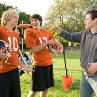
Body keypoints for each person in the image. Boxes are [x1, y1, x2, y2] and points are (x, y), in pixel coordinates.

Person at [51, 9, 97, 97]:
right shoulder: (84, 34)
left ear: (95, 20)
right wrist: (57, 28)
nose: (84, 21)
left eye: (87, 19)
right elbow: (70, 36)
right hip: (85, 75)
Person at [24, 14, 63, 97]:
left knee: (45, 88)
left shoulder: (46, 32)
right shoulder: (29, 31)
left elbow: (54, 41)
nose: (34, 22)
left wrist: (59, 46)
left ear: (40, 21)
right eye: (32, 21)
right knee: (33, 90)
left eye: (36, 20)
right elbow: (34, 49)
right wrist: (47, 43)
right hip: (38, 65)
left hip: (48, 63)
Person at [0, 9, 32, 97]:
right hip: (2, 72)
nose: (17, 19)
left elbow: (15, 55)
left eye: (17, 17)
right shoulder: (1, 30)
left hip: (14, 71)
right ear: (6, 18)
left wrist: (24, 66)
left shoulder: (16, 34)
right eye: (15, 17)